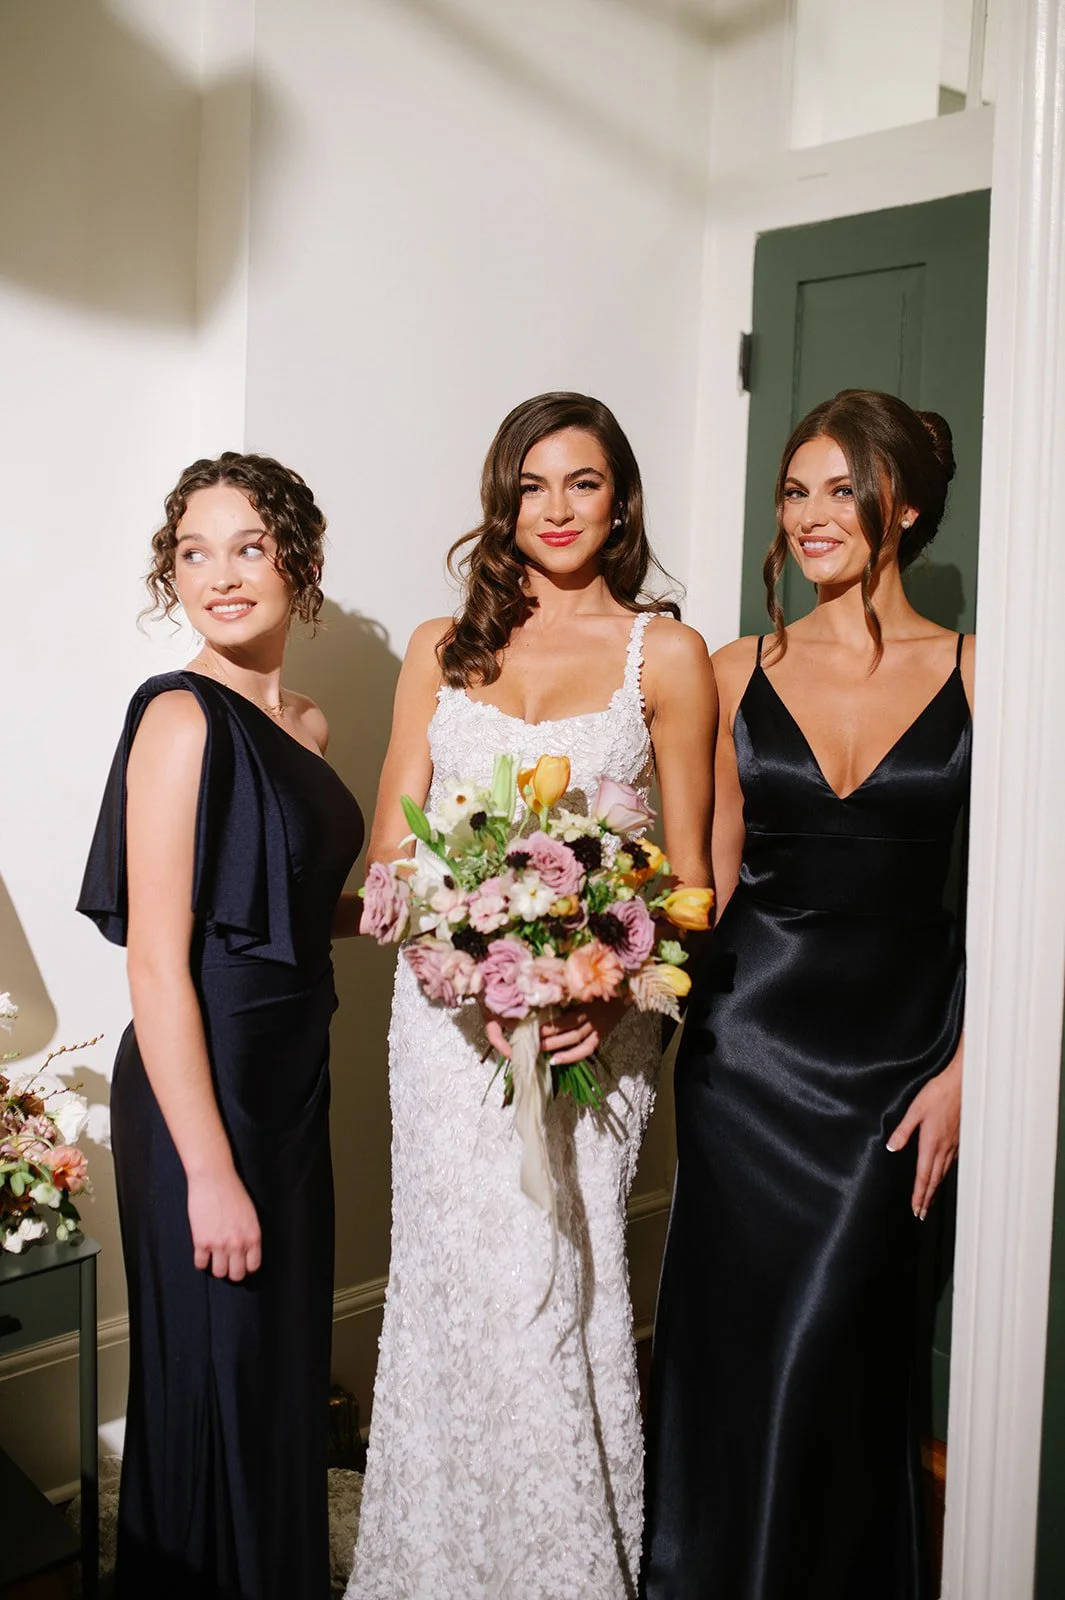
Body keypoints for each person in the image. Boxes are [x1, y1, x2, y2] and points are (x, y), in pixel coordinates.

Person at [347, 392, 715, 1600]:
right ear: (503, 501)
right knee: (456, 1293)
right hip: (450, 1034)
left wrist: (603, 992)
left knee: (562, 1289)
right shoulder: (439, 644)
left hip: (593, 1036)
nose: (556, 509)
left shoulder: (664, 654)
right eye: (533, 485)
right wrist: (457, 949)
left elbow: (694, 888)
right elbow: (391, 857)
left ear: (621, 501)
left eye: (585, 483)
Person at [641, 390, 972, 1600]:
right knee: (739, 1354)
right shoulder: (737, 667)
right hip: (746, 1058)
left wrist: (968, 1069)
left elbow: (1025, 907)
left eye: (843, 488)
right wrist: (592, 974)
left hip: (897, 1072)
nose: (812, 514)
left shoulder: (987, 676)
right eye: (795, 490)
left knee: (837, 1352)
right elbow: (704, 884)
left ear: (909, 505)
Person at [77, 453, 364, 1600]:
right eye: (194, 552)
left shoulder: (306, 719)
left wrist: (376, 910)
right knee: (214, 1376)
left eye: (248, 546)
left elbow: (269, 903)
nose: (221, 575)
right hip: (204, 1098)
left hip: (291, 1085)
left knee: (275, 1375)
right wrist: (208, 1172)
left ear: (297, 559)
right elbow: (159, 958)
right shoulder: (181, 719)